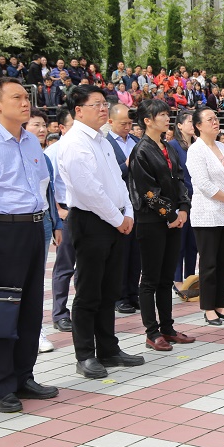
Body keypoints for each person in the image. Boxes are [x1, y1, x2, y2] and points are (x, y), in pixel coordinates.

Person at [0, 77, 58, 413]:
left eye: (26, 96)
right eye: (16, 97)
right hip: (3, 233)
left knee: (31, 309)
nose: (25, 102)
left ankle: (24, 377)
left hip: (35, 230)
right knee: (3, 310)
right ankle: (1, 387)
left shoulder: (31, 142)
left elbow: (42, 188)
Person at [57, 84, 144, 379]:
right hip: (91, 222)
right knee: (88, 292)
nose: (103, 109)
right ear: (78, 110)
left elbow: (119, 182)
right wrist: (116, 218)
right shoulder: (74, 143)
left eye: (104, 104)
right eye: (96, 104)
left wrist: (127, 212)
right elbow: (89, 190)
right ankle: (85, 355)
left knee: (110, 290)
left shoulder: (104, 141)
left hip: (116, 219)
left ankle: (109, 349)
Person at [128, 99, 195, 351]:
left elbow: (180, 181)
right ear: (147, 120)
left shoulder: (168, 147)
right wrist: (170, 215)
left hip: (173, 220)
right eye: (162, 115)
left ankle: (167, 327)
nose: (168, 118)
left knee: (167, 277)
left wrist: (184, 209)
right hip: (151, 221)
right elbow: (147, 192)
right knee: (151, 279)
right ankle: (152, 332)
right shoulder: (141, 150)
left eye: (168, 114)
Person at [187, 107, 224, 325]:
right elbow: (203, 185)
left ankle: (221, 304)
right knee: (209, 263)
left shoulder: (223, 147)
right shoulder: (196, 150)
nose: (214, 122)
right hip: (207, 214)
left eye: (215, 118)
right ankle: (208, 308)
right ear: (198, 126)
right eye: (209, 120)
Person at [24, 109, 63, 353]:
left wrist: (57, 223)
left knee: (36, 279)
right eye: (36, 124)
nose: (42, 129)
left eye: (44, 125)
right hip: (16, 224)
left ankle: (36, 331)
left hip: (44, 223)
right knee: (20, 280)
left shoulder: (45, 157)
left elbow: (50, 193)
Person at [107, 104, 141, 315]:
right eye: (123, 123)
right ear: (110, 122)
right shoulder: (106, 144)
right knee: (120, 254)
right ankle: (119, 296)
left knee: (136, 254)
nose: (128, 127)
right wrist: (127, 164)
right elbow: (108, 176)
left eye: (130, 123)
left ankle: (132, 293)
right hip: (118, 206)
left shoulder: (137, 141)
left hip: (139, 205)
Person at [44, 108, 75, 332]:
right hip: (66, 212)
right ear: (62, 128)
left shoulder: (87, 148)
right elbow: (49, 185)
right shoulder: (53, 152)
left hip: (87, 212)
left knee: (87, 267)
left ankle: (84, 311)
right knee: (64, 267)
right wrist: (58, 212)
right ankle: (60, 313)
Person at [168, 111, 198, 295]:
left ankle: (190, 278)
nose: (192, 124)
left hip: (198, 200)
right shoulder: (172, 146)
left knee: (193, 243)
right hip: (181, 200)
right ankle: (177, 279)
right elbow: (176, 176)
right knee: (179, 242)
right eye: (189, 121)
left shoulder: (198, 145)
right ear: (179, 125)